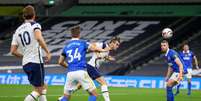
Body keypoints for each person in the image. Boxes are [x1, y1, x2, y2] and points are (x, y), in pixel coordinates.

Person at [58, 26, 112, 101]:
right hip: (81, 71)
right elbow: (94, 48)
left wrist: (69, 67)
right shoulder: (83, 43)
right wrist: (104, 50)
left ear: (71, 34)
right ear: (79, 34)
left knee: (65, 97)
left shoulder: (66, 46)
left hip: (70, 73)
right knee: (94, 94)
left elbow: (60, 62)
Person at [10, 5, 51, 101]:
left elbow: (13, 51)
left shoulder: (17, 31)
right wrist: (47, 52)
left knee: (41, 86)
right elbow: (38, 38)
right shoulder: (35, 25)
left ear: (24, 16)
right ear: (34, 15)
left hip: (26, 63)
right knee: (40, 89)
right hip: (35, 61)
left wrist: (25, 56)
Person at [85, 37, 120, 101]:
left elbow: (102, 56)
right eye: (117, 44)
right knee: (104, 83)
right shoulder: (104, 45)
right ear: (112, 43)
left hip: (90, 67)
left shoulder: (108, 51)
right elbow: (93, 45)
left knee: (79, 85)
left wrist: (108, 58)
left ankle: (63, 98)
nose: (117, 46)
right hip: (91, 67)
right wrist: (98, 53)